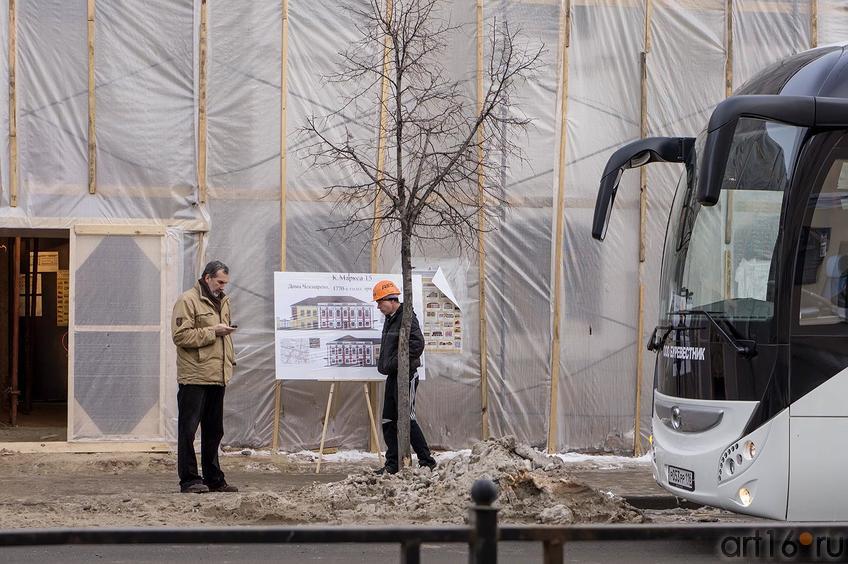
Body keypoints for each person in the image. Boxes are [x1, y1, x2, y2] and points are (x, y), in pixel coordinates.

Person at [171, 260, 238, 493]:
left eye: (225, 283)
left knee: (214, 430)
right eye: (220, 281)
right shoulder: (187, 300)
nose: (222, 286)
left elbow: (224, 338)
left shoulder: (224, 301)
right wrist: (213, 332)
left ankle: (213, 478)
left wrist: (229, 359)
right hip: (194, 376)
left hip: (217, 375)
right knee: (188, 430)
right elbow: (180, 336)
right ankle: (189, 479)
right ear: (207, 277)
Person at [372, 279, 436, 475]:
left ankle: (427, 461)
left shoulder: (406, 317)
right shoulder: (390, 318)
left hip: (405, 375)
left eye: (379, 302)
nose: (378, 306)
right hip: (393, 375)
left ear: (391, 299)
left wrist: (396, 364)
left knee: (406, 417)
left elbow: (417, 345)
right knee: (388, 420)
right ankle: (392, 464)